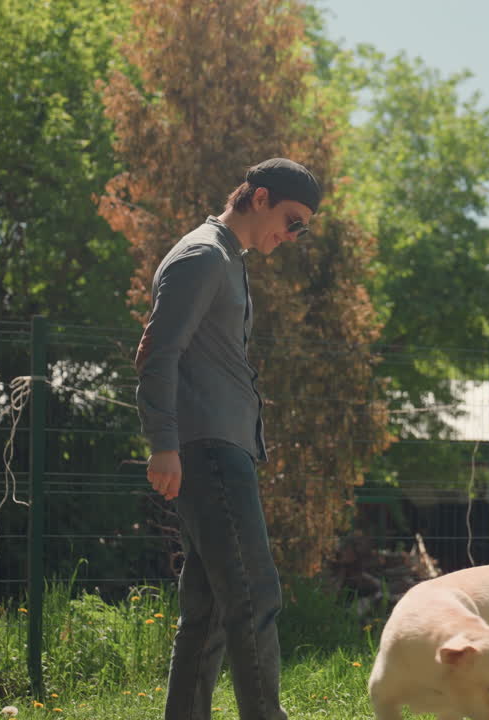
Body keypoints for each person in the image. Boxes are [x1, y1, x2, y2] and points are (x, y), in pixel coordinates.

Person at [135, 157, 321, 720]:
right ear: (259, 198)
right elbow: (158, 353)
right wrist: (163, 443)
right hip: (208, 451)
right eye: (292, 220)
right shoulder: (203, 255)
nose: (292, 236)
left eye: (302, 228)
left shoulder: (227, 259)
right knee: (253, 595)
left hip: (220, 448)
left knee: (212, 606)